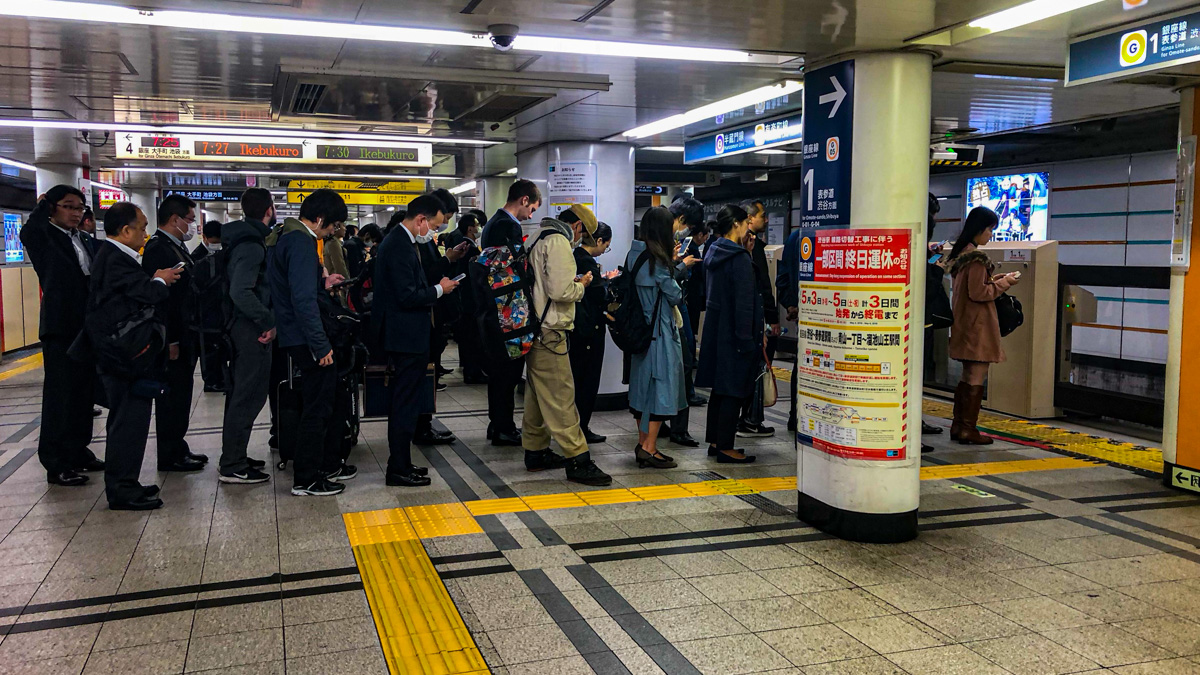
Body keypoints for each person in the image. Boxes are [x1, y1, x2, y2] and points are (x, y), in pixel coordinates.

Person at [88, 202, 182, 509]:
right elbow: (145, 295)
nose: (145, 232)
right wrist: (160, 280)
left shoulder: (116, 257)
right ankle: (122, 489)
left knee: (131, 422)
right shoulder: (115, 260)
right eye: (141, 227)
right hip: (123, 358)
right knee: (127, 423)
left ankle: (127, 481)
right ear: (125, 230)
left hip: (124, 356)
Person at [266, 188, 353, 496]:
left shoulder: (284, 237)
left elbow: (295, 287)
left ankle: (316, 469)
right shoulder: (302, 242)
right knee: (317, 407)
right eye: (331, 226)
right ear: (319, 219)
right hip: (306, 337)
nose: (332, 232)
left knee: (318, 403)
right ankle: (307, 477)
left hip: (294, 334)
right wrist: (321, 346)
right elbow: (302, 301)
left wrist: (322, 282)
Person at [522, 204, 612, 485]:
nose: (579, 241)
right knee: (562, 396)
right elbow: (561, 291)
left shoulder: (538, 236)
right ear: (576, 227)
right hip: (551, 330)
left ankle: (535, 452)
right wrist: (582, 284)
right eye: (582, 235)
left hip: (536, 327)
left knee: (537, 395)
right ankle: (578, 459)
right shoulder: (559, 241)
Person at [372, 194, 458, 487]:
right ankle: (398, 467)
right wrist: (439, 290)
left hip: (410, 336)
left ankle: (403, 462)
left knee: (407, 403)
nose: (433, 232)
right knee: (404, 403)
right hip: (404, 338)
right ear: (421, 220)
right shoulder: (397, 245)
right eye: (433, 226)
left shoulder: (403, 242)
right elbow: (407, 295)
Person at [20, 185, 103, 486]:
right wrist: (41, 207)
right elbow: (30, 231)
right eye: (68, 206)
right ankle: (55, 461)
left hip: (86, 325)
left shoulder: (84, 240)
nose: (76, 213)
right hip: (60, 327)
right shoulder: (45, 238)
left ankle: (78, 449)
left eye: (80, 208)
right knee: (60, 395)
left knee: (84, 391)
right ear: (52, 208)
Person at [142, 194, 208, 472]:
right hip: (173, 335)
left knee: (181, 394)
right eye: (190, 220)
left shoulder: (176, 247)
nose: (192, 225)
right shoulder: (159, 249)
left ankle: (177, 446)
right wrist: (170, 339)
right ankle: (169, 453)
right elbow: (162, 300)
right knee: (172, 396)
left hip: (186, 330)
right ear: (174, 219)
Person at [217, 188, 276, 485]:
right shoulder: (252, 244)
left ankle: (235, 454)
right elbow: (240, 290)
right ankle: (233, 464)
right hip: (249, 329)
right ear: (269, 209)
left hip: (240, 326)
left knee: (243, 395)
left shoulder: (239, 238)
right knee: (247, 396)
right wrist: (267, 321)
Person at [627, 207, 694, 469]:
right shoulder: (658, 262)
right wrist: (678, 266)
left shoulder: (635, 255)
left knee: (642, 392)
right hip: (660, 334)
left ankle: (642, 442)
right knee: (659, 391)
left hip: (639, 333)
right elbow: (674, 296)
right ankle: (649, 448)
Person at [947, 206, 1020, 445]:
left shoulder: (961, 256)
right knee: (977, 375)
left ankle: (958, 426)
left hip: (964, 322)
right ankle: (968, 428)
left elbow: (971, 288)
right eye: (989, 229)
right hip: (978, 326)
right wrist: (1005, 283)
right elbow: (979, 293)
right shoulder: (977, 259)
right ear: (979, 229)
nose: (991, 234)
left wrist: (994, 280)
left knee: (967, 376)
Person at [695, 204, 761, 464]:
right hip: (735, 333)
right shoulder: (739, 258)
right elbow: (744, 303)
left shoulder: (715, 250)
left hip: (717, 329)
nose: (748, 227)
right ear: (736, 224)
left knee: (720, 389)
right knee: (733, 389)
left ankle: (715, 440)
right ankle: (725, 446)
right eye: (745, 222)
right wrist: (747, 339)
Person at [480, 179, 541, 446]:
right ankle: (505, 426)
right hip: (508, 311)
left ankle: (498, 423)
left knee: (498, 372)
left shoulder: (491, 223)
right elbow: (515, 270)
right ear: (524, 200)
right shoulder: (509, 227)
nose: (531, 215)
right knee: (509, 372)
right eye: (533, 208)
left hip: (493, 309)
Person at [664, 195, 706, 447]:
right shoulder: (661, 239)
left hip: (672, 312)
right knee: (683, 362)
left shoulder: (660, 238)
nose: (687, 232)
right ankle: (678, 429)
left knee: (682, 362)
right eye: (688, 227)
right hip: (671, 312)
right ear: (681, 220)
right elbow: (665, 281)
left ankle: (667, 425)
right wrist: (681, 265)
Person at [737, 200, 778, 439]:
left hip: (748, 321)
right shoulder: (753, 249)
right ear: (749, 219)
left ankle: (749, 419)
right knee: (759, 368)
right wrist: (771, 318)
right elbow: (763, 286)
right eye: (763, 215)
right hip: (756, 319)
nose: (766, 220)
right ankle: (750, 420)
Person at [569, 221, 612, 445]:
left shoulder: (573, 256)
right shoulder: (587, 263)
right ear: (598, 241)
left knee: (576, 379)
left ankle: (577, 426)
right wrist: (608, 284)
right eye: (606, 245)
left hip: (575, 328)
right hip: (589, 328)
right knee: (587, 380)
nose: (605, 249)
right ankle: (581, 427)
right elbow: (598, 296)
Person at [442, 210, 487, 384]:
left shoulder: (462, 246)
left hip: (464, 298)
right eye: (477, 226)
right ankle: (473, 372)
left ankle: (470, 370)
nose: (479, 229)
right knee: (472, 338)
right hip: (471, 299)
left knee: (468, 338)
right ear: (470, 228)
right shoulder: (470, 249)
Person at [192, 220, 229, 393]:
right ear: (204, 238)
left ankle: (220, 377)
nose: (217, 245)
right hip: (204, 312)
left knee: (219, 347)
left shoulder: (224, 256)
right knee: (208, 349)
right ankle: (211, 380)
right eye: (213, 242)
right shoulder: (196, 257)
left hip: (220, 310)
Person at [776, 227, 801, 433]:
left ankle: (796, 416)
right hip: (829, 316)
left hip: (804, 315)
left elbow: (782, 279)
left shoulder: (794, 237)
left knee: (802, 365)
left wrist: (792, 305)